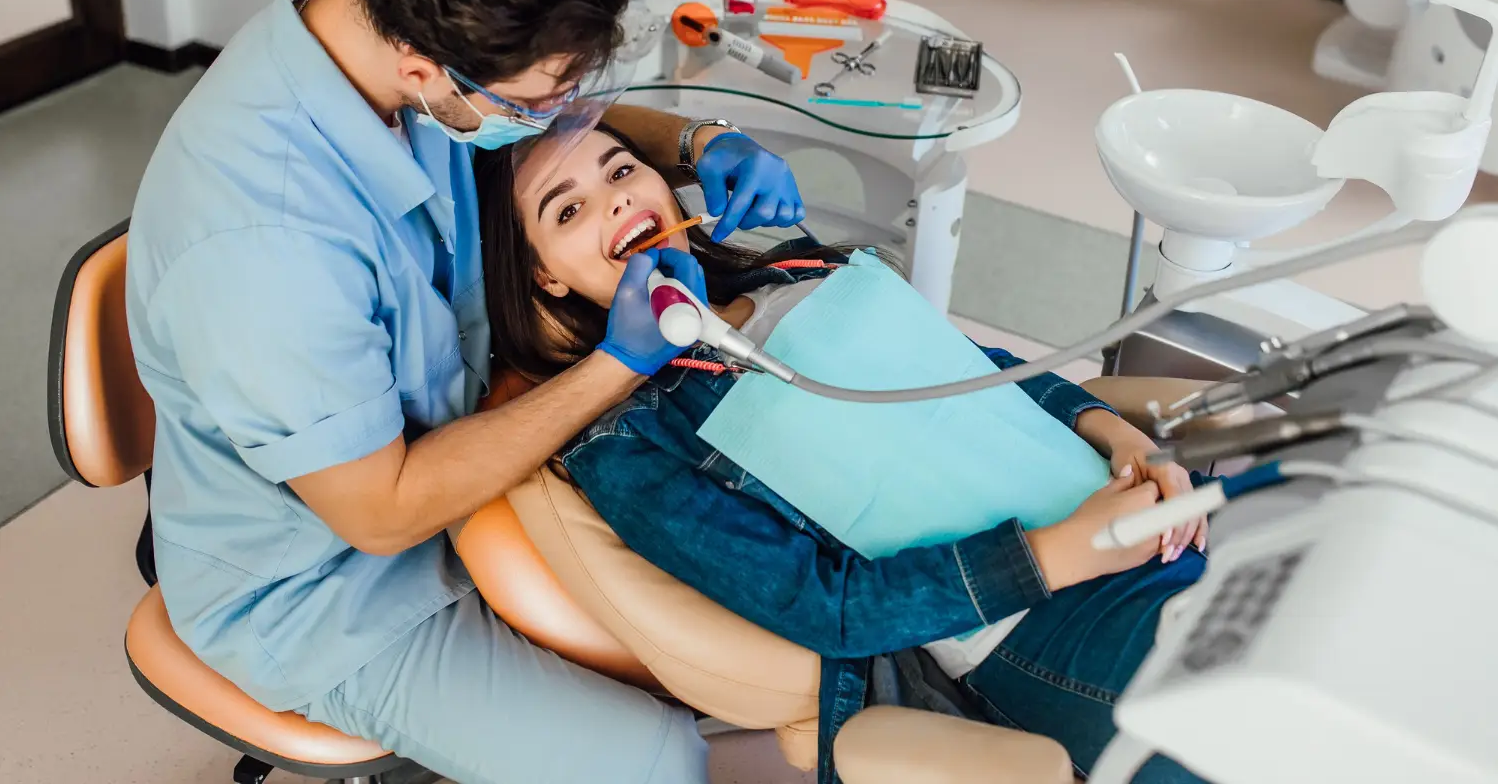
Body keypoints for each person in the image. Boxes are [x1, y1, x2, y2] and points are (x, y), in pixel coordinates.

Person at [125, 0, 807, 784]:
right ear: (426, 72)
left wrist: (696, 143)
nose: (574, 115)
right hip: (331, 587)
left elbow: (564, 121)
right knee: (654, 759)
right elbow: (384, 511)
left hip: (466, 454)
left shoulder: (388, 25)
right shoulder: (265, 246)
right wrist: (622, 362)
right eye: (544, 98)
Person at [476, 126, 1213, 784]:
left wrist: (1124, 440)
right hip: (1037, 617)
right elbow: (825, 608)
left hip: (1143, 512)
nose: (612, 200)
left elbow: (984, 368)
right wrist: (1058, 555)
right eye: (566, 210)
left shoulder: (795, 272)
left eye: (620, 170)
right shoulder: (631, 443)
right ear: (546, 278)